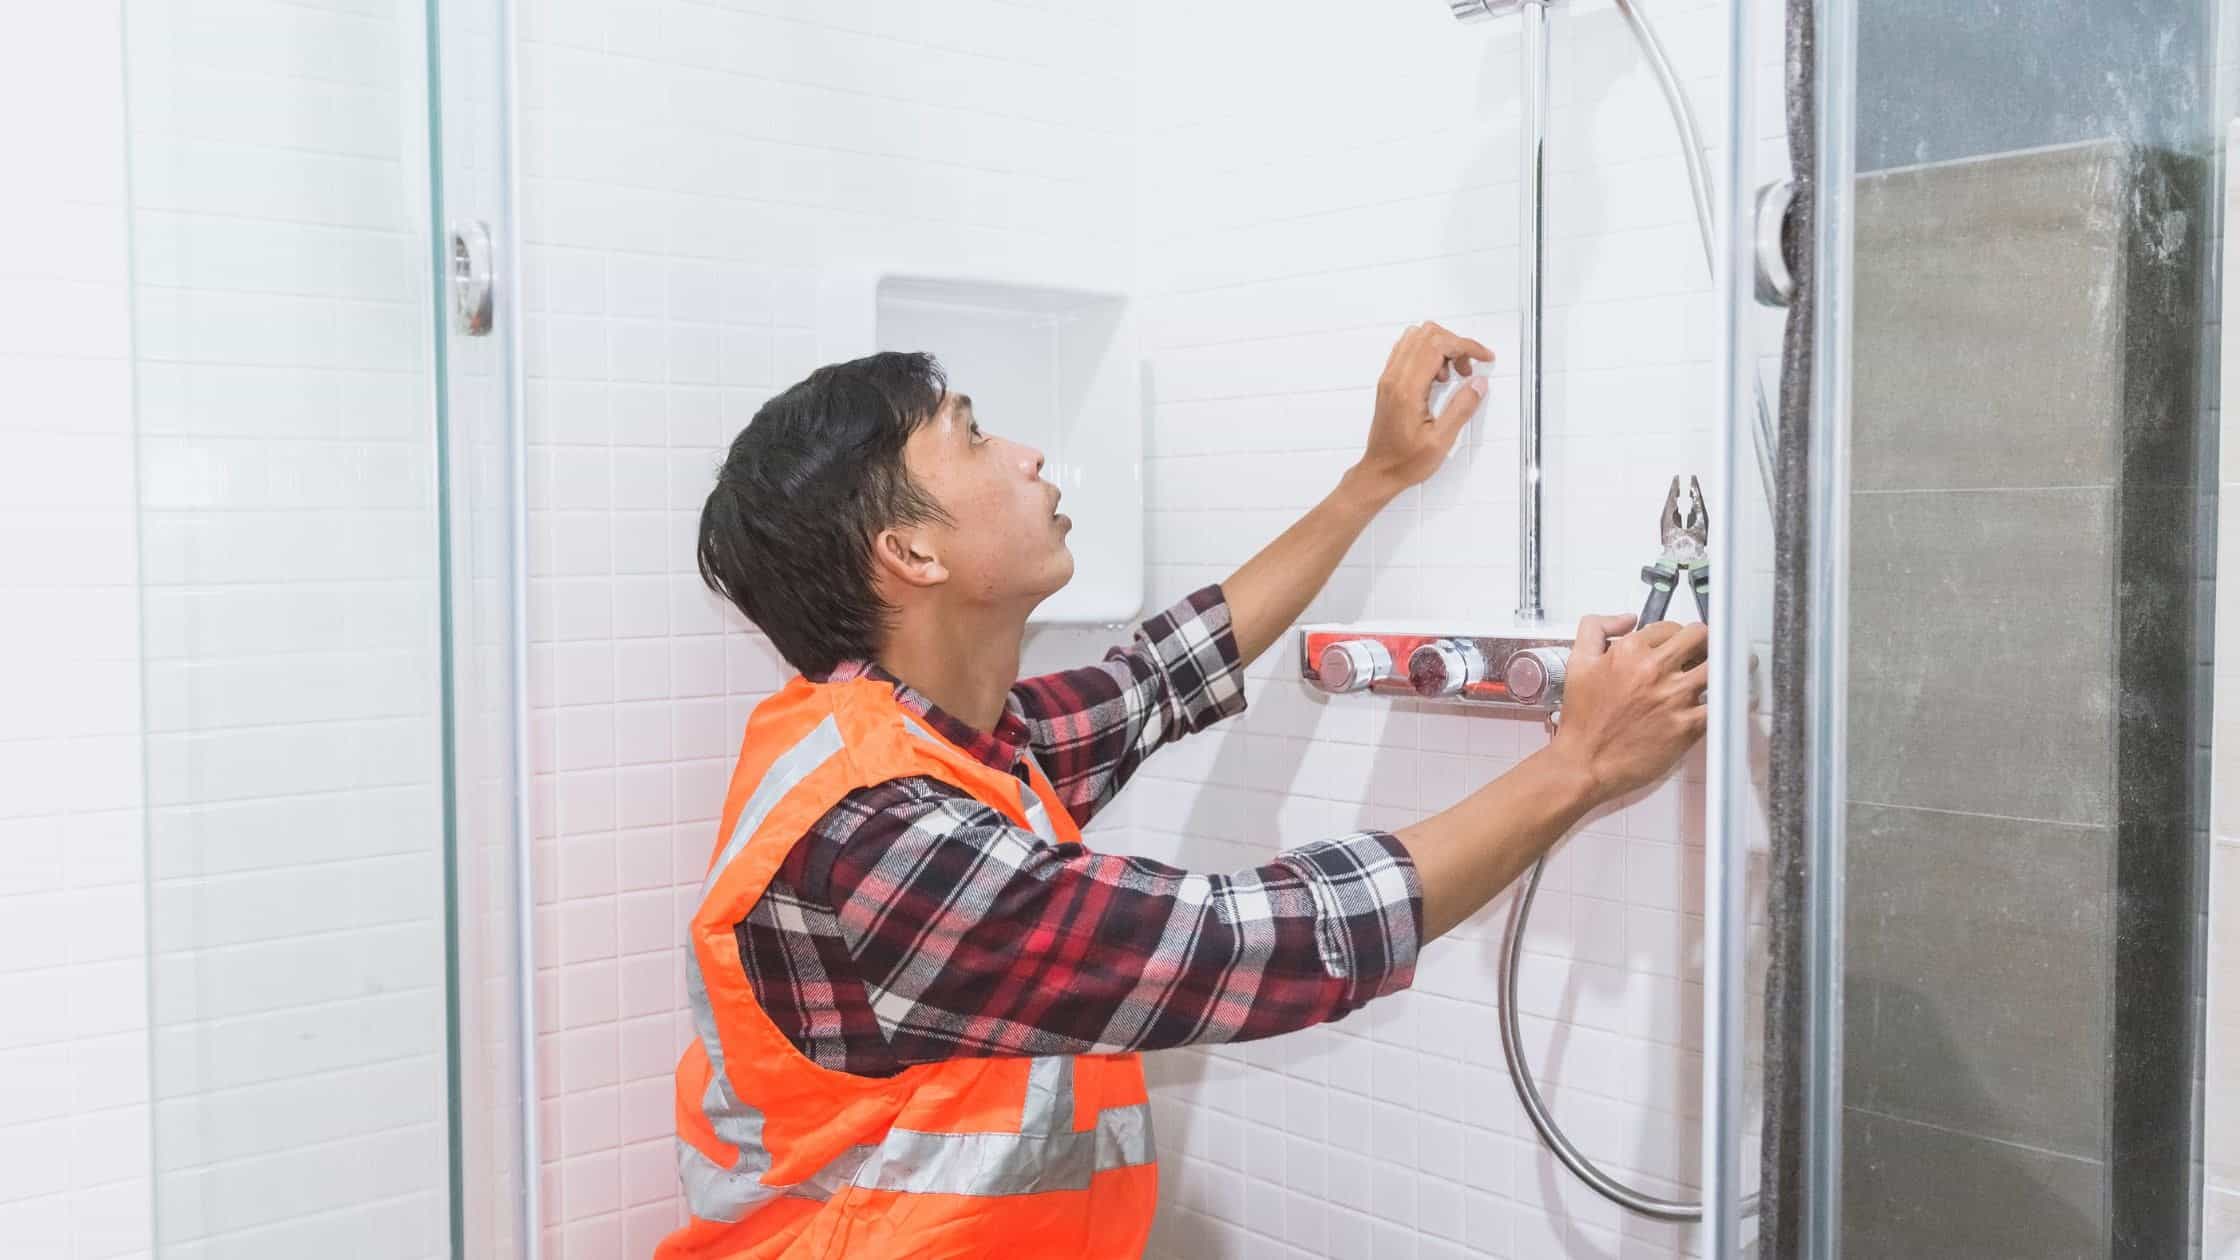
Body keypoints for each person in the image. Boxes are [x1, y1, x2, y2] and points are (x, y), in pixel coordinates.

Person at [657, 321, 1709, 1260]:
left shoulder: (939, 743)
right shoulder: (881, 839)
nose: (1026, 454)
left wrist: (1372, 480)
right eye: (972, 437)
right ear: (910, 550)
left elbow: (1157, 676)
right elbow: (1229, 944)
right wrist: (1577, 765)